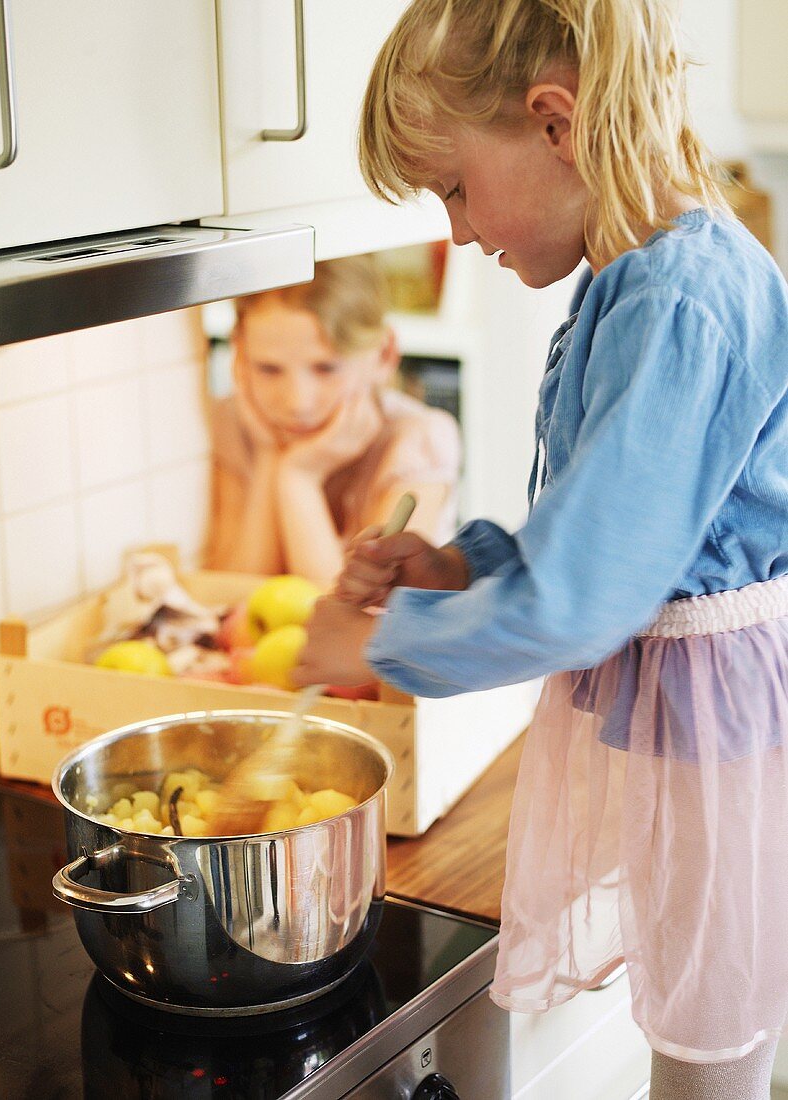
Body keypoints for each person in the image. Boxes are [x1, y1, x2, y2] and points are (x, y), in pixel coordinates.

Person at [293, 2, 788, 1097]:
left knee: (710, 1049)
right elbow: (601, 527)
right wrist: (459, 567)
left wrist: (379, 638)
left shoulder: (681, 295)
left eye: (455, 188)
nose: (458, 232)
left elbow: (581, 597)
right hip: (684, 722)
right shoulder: (631, 276)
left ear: (555, 123)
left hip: (718, 736)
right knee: (698, 1028)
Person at [205, 254, 461, 589]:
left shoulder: (419, 440)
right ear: (239, 355)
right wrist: (271, 458)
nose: (297, 402)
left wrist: (299, 477)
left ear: (384, 354)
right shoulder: (236, 422)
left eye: (326, 368)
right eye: (268, 369)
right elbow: (230, 594)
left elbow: (348, 615)